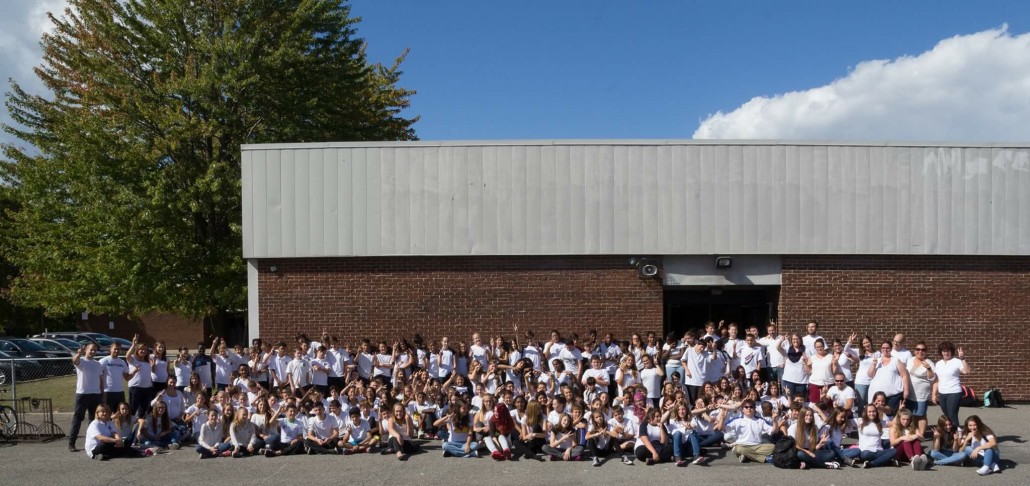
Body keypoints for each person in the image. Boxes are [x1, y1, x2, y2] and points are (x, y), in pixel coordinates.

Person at [69, 343, 105, 453]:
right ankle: (72, 443)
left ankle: (91, 442)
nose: (93, 352)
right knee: (78, 419)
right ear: (86, 350)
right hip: (83, 394)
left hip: (96, 394)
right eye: (91, 350)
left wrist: (102, 395)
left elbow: (101, 381)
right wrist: (78, 354)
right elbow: (74, 360)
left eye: (95, 350)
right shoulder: (82, 361)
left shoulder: (98, 364)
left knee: (93, 420)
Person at [932, 341, 969, 433]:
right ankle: (950, 436)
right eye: (944, 351)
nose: (946, 353)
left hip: (954, 392)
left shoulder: (957, 361)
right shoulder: (938, 363)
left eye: (948, 351)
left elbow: (966, 371)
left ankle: (957, 435)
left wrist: (963, 359)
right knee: (946, 416)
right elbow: (937, 380)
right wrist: (933, 394)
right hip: (942, 393)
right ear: (941, 352)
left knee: (952, 415)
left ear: (951, 352)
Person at [722, 399, 775, 464]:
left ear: (754, 409)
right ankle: (764, 459)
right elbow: (722, 428)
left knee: (773, 447)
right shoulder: (737, 420)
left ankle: (747, 456)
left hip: (757, 446)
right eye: (746, 407)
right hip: (742, 445)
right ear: (742, 410)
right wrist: (722, 419)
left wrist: (775, 421)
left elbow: (773, 431)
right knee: (739, 449)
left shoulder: (761, 420)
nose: (749, 409)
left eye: (751, 407)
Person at [867, 340, 910, 414]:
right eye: (883, 348)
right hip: (877, 395)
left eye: (887, 348)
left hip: (893, 395)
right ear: (881, 349)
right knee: (876, 415)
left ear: (891, 349)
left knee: (891, 414)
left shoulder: (896, 360)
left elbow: (904, 375)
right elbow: (870, 375)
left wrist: (906, 390)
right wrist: (873, 364)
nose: (885, 350)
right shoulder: (877, 360)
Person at [905, 340, 935, 437]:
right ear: (914, 351)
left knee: (921, 415)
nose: (920, 351)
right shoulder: (910, 360)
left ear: (926, 351)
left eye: (923, 350)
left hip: (921, 393)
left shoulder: (929, 362)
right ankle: (913, 432)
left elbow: (932, 378)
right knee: (911, 414)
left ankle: (921, 435)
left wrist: (929, 369)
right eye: (918, 349)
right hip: (909, 393)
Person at [125, 335, 155, 418]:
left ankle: (140, 427)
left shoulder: (148, 361)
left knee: (143, 410)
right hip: (135, 388)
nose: (143, 351)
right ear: (137, 350)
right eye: (141, 349)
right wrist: (133, 345)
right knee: (132, 409)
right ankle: (130, 427)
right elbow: (127, 356)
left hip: (147, 389)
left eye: (145, 350)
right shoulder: (133, 359)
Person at [99, 343, 129, 413]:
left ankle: (116, 424)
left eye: (118, 349)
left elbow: (127, 377)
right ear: (110, 349)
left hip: (120, 392)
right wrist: (102, 392)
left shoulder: (122, 362)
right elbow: (98, 377)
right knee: (107, 413)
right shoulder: (103, 361)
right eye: (115, 349)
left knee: (119, 414)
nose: (116, 351)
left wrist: (135, 372)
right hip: (108, 392)